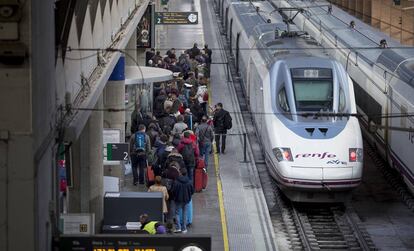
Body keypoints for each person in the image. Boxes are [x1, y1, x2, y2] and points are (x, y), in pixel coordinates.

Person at [172, 168, 194, 233]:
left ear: (180, 173)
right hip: (186, 200)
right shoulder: (189, 182)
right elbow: (192, 191)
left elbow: (173, 191)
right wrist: (188, 196)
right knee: (185, 213)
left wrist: (175, 197)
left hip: (178, 200)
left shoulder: (176, 182)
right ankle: (184, 228)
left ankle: (178, 227)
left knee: (177, 213)